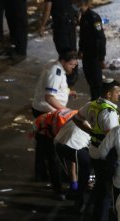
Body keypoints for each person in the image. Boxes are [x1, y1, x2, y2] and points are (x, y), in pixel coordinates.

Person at [73, 79, 120, 221]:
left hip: (94, 150)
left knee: (100, 188)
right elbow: (113, 138)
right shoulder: (109, 113)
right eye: (117, 91)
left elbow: (77, 119)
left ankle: (93, 218)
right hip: (106, 155)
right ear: (109, 94)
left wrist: (92, 133)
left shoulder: (93, 104)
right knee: (106, 193)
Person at [31, 51, 79, 195]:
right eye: (71, 64)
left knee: (41, 145)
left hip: (42, 110)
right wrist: (66, 111)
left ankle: (40, 173)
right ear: (63, 61)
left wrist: (67, 92)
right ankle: (57, 188)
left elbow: (54, 89)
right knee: (53, 152)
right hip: (47, 113)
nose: (73, 68)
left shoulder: (54, 65)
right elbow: (49, 97)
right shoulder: (56, 72)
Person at [52, 111, 91, 212]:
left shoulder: (78, 114)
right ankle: (80, 202)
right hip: (75, 146)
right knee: (85, 171)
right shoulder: (101, 123)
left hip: (59, 143)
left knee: (72, 160)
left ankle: (73, 187)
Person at [77, 0, 106, 101]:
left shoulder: (94, 17)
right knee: (89, 78)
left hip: (95, 55)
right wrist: (80, 50)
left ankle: (99, 101)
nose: (78, 7)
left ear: (85, 4)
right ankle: (94, 99)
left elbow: (101, 38)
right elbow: (82, 36)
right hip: (86, 54)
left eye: (79, 4)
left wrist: (101, 58)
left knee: (97, 81)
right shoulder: (83, 17)